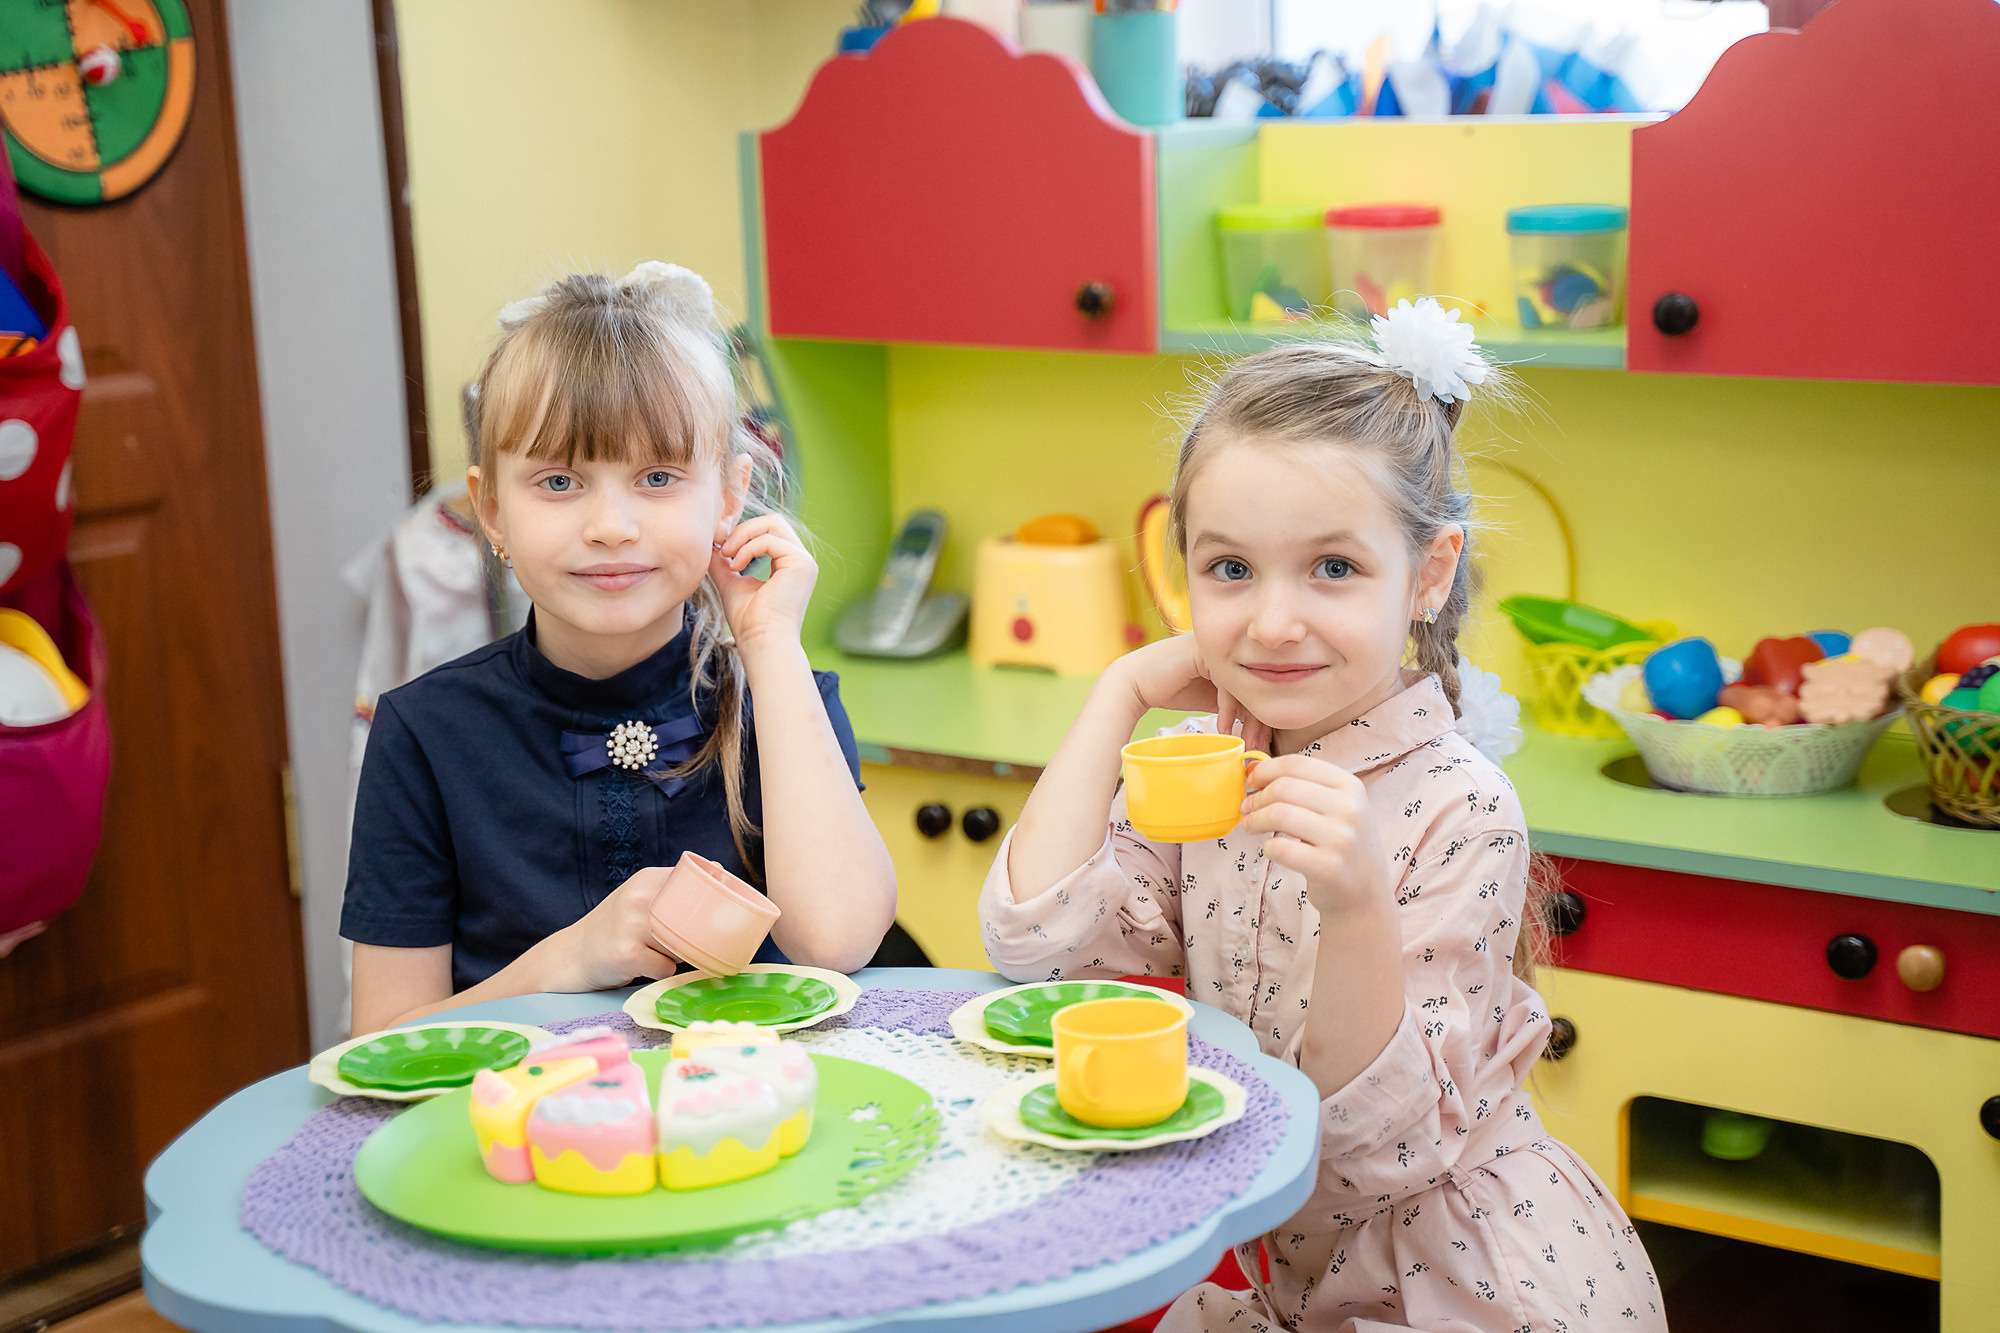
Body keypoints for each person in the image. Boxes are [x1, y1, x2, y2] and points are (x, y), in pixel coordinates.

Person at [980, 300, 1664, 1331]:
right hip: (1282, 1268)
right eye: (1229, 569)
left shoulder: (1459, 805)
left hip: (1458, 1280)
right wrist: (1114, 695)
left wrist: (1354, 906)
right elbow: (1038, 951)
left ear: (1427, 576)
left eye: (1333, 568)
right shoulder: (1211, 765)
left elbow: (1375, 1149)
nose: (1271, 621)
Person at [342, 262, 895, 1037]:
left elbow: (839, 940)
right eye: (560, 482)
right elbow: (384, 1042)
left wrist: (768, 645)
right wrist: (565, 961)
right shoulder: (424, 734)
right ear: (491, 509)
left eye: (658, 476)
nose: (611, 526)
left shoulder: (781, 696)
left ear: (730, 497)